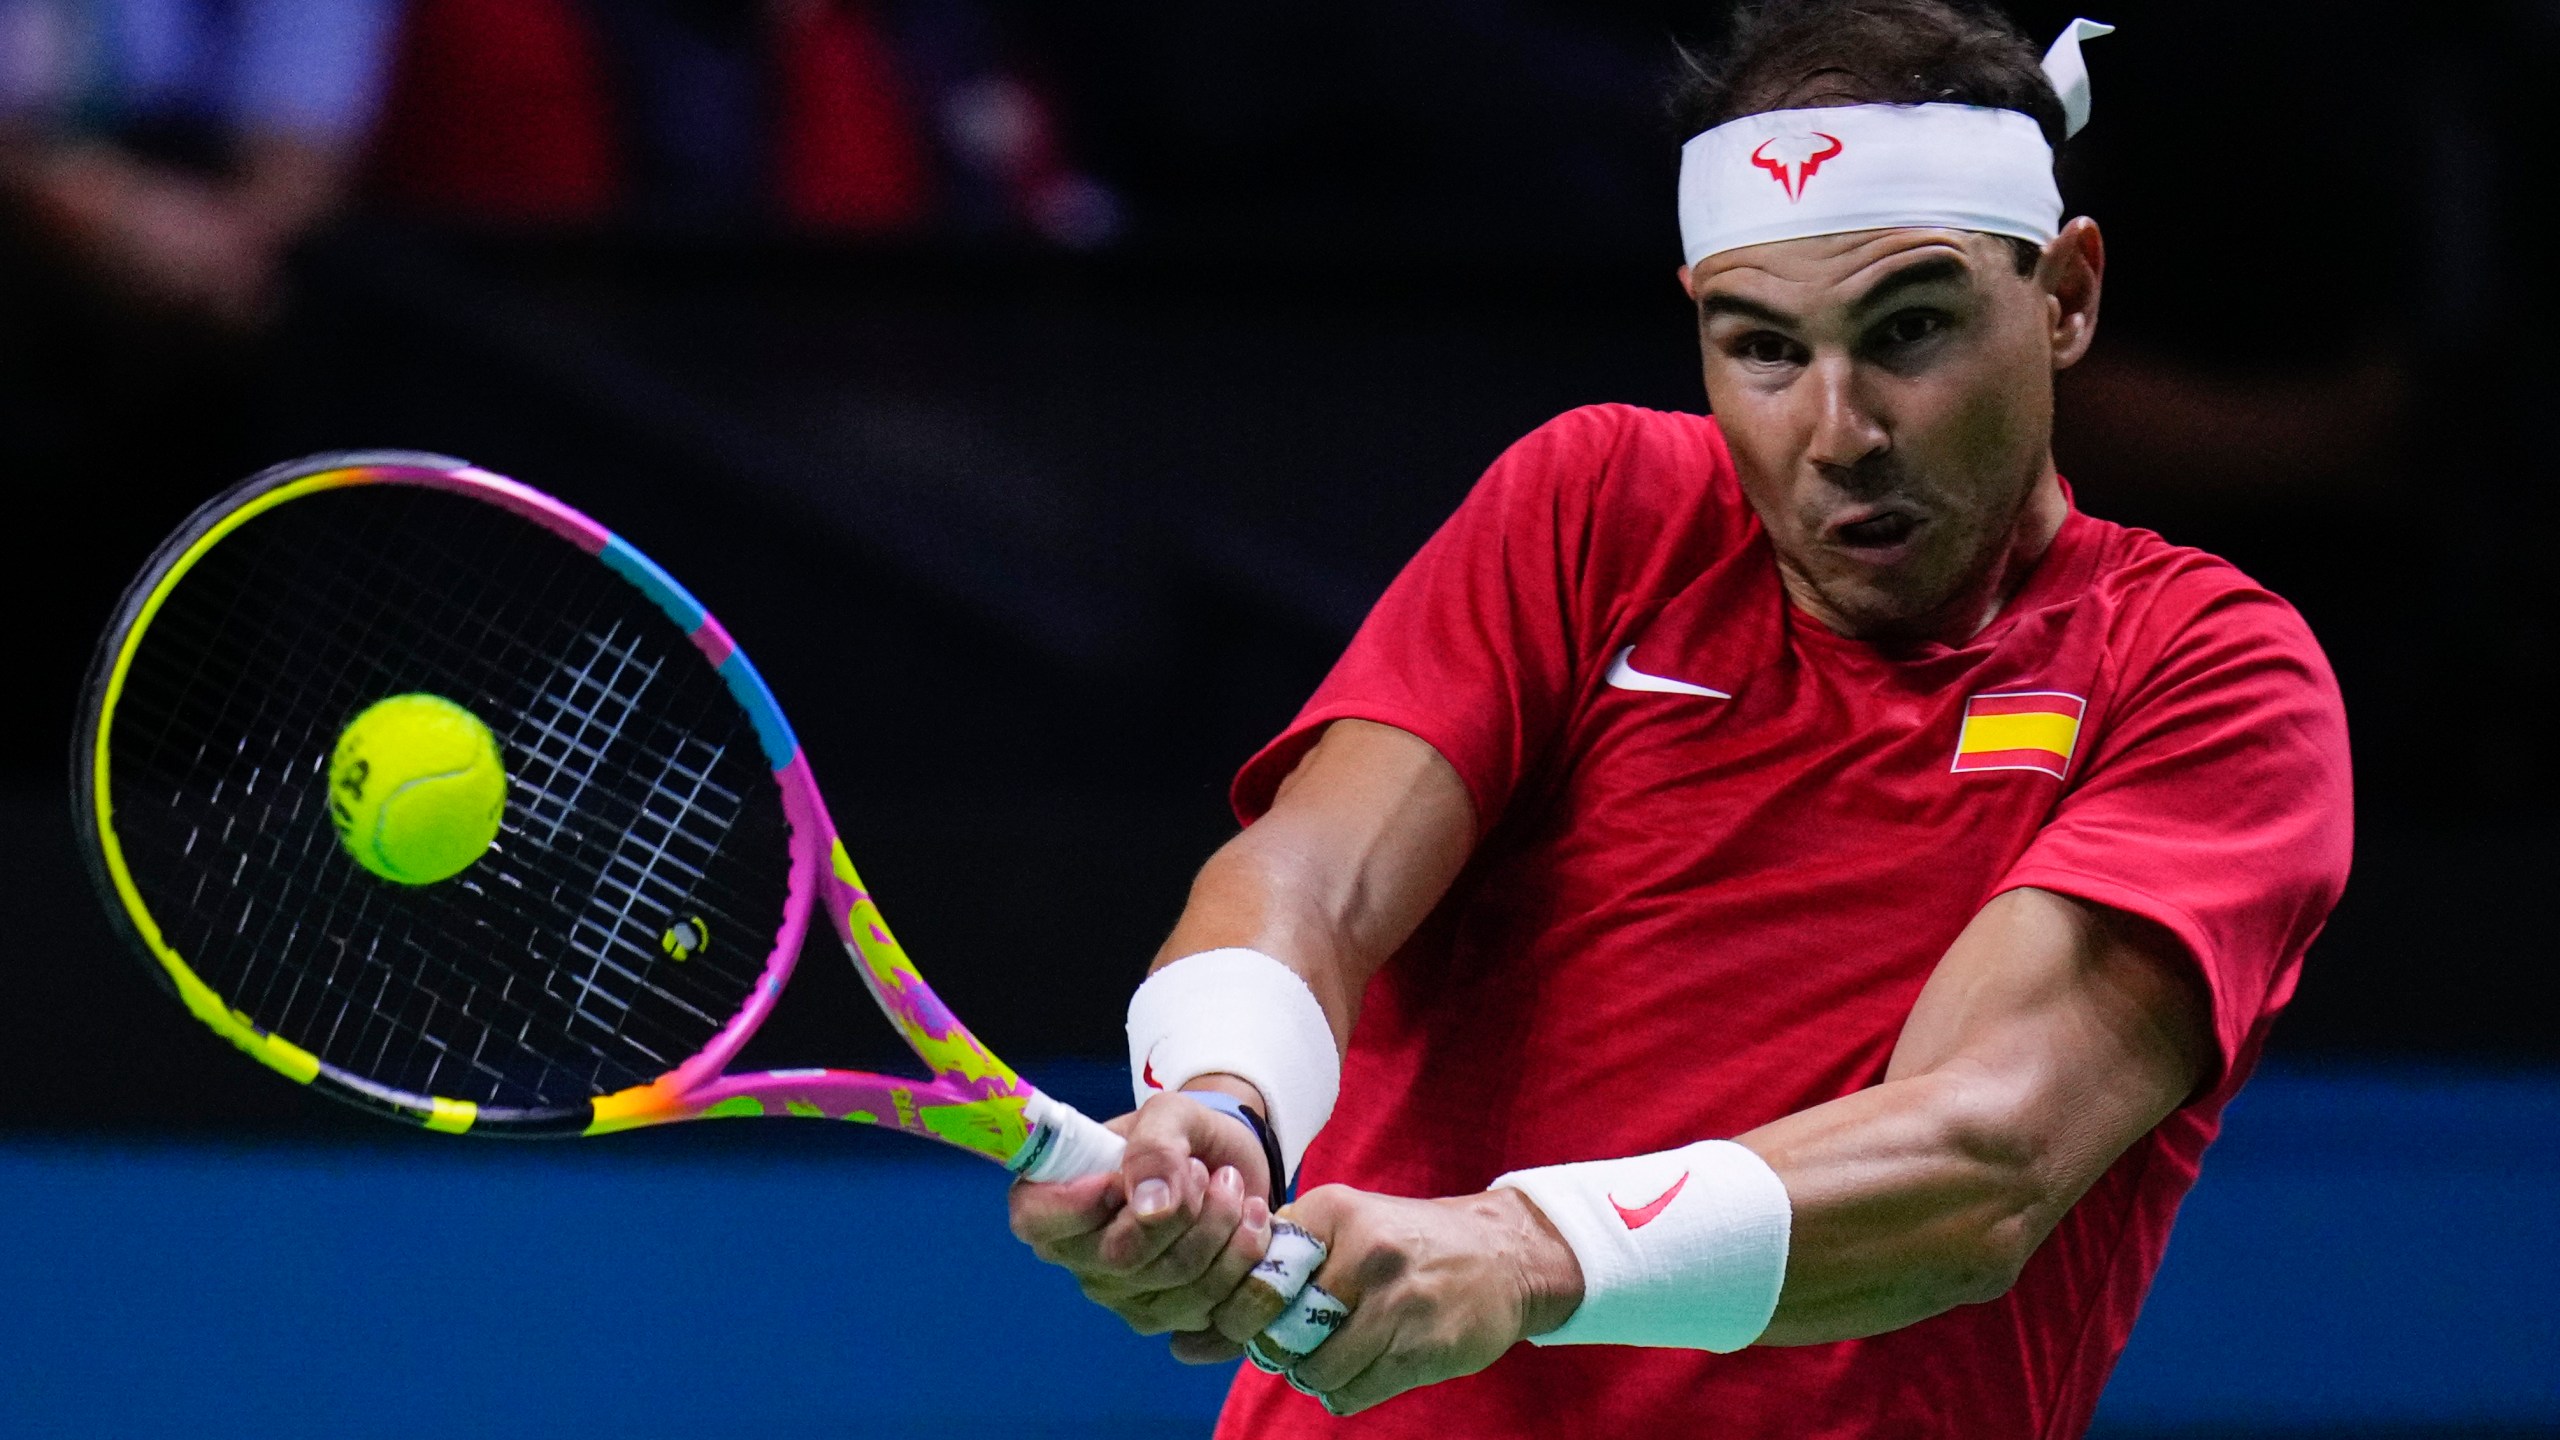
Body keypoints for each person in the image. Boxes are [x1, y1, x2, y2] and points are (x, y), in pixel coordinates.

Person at [1007, 3, 2352, 1435]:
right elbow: (1313, 876)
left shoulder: (2205, 674)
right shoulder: (1595, 514)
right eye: (1763, 347)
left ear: (2067, 295)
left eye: (1910, 329)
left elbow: (1982, 1158)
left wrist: (1528, 1253)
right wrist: (1227, 1099)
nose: (1838, 428)